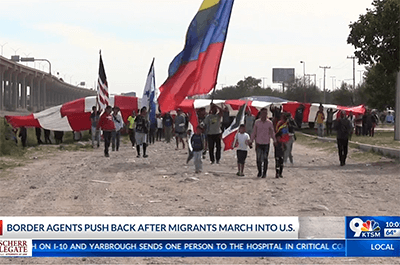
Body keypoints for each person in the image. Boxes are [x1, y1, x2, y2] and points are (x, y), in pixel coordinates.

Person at [250, 108, 277, 178]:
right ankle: (259, 171)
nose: (264, 114)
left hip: (266, 143)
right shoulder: (257, 122)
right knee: (258, 158)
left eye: (266, 113)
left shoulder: (269, 123)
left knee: (265, 158)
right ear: (260, 114)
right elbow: (254, 132)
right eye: (263, 113)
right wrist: (251, 140)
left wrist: (275, 140)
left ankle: (264, 173)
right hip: (258, 142)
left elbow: (272, 132)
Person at [274, 114, 290, 178]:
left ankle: (280, 172)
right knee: (277, 159)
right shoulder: (279, 123)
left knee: (281, 159)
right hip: (278, 142)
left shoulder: (286, 125)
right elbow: (277, 132)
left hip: (283, 142)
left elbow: (286, 134)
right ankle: (277, 173)